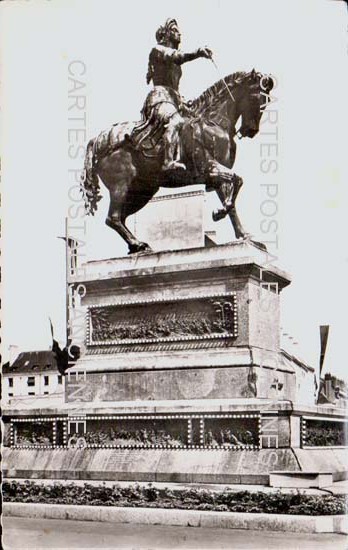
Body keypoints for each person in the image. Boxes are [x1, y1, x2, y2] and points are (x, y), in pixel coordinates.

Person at [134, 18, 212, 172]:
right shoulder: (157, 50)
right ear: (167, 34)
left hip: (173, 99)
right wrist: (198, 52)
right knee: (175, 121)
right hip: (160, 99)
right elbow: (177, 57)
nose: (179, 33)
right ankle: (168, 161)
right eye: (175, 31)